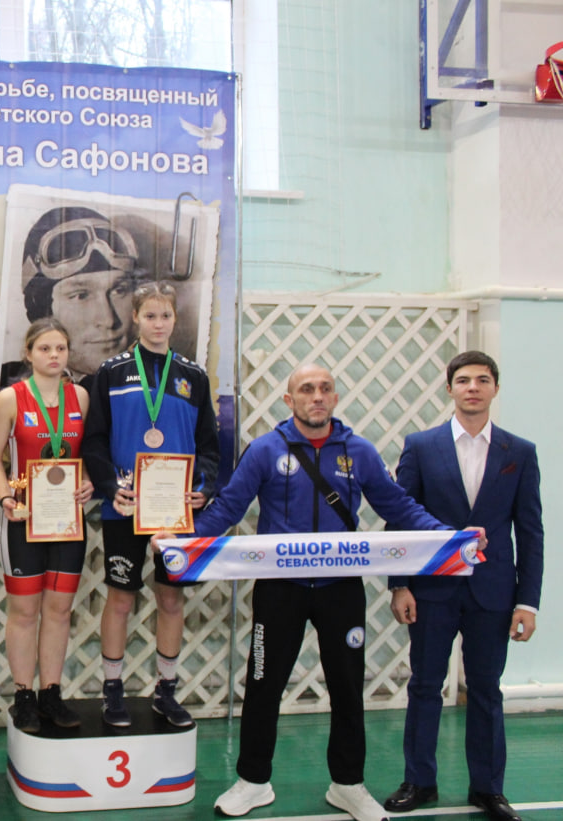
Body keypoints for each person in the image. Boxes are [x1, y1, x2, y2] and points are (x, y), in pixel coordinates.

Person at [190, 363, 473, 821]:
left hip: (341, 589)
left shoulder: (358, 451)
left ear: (336, 398)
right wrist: (183, 542)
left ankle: (348, 785)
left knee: (346, 689)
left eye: (325, 389)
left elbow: (398, 505)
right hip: (279, 589)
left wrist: (449, 538)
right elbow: (229, 507)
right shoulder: (264, 450)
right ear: (290, 400)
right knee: (263, 686)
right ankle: (253, 781)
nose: (317, 396)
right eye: (306, 389)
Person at [382, 351, 543, 821]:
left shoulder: (520, 452)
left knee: (487, 690)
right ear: (449, 388)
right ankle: (419, 781)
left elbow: (530, 531)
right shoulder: (420, 446)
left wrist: (528, 602)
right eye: (464, 380)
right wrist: (399, 584)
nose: (473, 387)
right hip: (431, 590)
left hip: (494, 593)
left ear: (495, 388)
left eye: (483, 380)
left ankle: (488, 789)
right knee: (425, 686)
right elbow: (399, 520)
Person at [80, 280, 218, 729]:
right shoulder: (111, 372)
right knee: (120, 597)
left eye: (166, 316)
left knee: (171, 598)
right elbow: (94, 440)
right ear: (136, 317)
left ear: (175, 319)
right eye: (151, 315)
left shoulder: (194, 376)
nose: (159, 324)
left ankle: (166, 690)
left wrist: (204, 487)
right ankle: (112, 691)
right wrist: (109, 485)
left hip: (175, 509)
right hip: (126, 505)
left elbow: (209, 445)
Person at [0, 318, 94, 732]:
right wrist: (6, 498)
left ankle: (51, 692)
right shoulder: (9, 399)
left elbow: (87, 451)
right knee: (25, 611)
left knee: (59, 610)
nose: (54, 355)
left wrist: (88, 480)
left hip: (67, 520)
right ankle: (23, 695)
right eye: (45, 348)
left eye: (60, 348)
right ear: (28, 353)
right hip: (23, 519)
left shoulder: (80, 397)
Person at [18, 206, 146, 380]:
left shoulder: (159, 379)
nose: (108, 320)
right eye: (81, 295)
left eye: (119, 290)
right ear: (42, 312)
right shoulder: (10, 388)